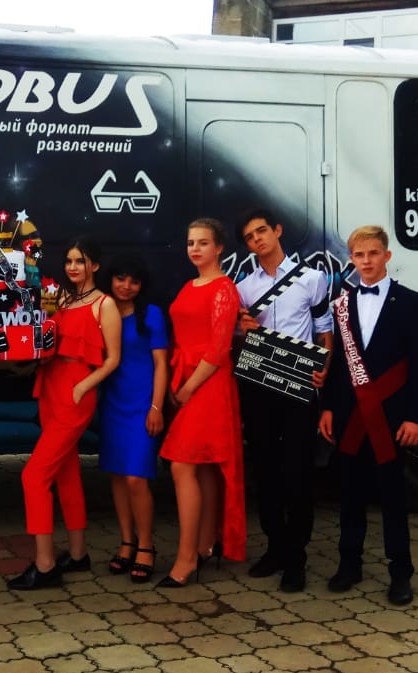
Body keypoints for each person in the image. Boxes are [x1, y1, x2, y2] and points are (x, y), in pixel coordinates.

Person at [318, 225, 418, 607]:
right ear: (351, 259)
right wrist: (328, 407)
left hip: (392, 419)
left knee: (393, 497)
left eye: (373, 253)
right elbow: (337, 366)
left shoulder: (412, 302)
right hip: (351, 417)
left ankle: (401, 573)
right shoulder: (341, 305)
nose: (366, 261)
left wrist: (416, 417)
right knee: (349, 495)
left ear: (387, 256)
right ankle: (349, 565)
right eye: (359, 255)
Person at [8, 239, 122, 591]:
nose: (73, 267)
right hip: (50, 386)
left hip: (76, 391)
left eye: (81, 261)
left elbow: (113, 360)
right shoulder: (62, 300)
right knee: (65, 473)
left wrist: (83, 386)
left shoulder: (105, 304)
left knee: (34, 476)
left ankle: (44, 565)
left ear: (95, 265)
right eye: (70, 261)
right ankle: (77, 554)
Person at [234, 209, 333, 593]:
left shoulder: (312, 279)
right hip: (259, 385)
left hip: (299, 387)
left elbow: (325, 331)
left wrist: (324, 368)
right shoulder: (244, 288)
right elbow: (237, 339)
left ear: (277, 230)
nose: (257, 239)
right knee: (265, 471)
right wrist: (242, 330)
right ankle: (275, 547)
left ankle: (296, 556)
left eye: (261, 231)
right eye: (249, 236)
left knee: (297, 473)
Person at [158, 217, 246, 588]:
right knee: (204, 466)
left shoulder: (225, 288)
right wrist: (177, 382)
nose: (195, 249)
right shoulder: (189, 285)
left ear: (219, 248)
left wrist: (189, 387)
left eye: (203, 243)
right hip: (187, 378)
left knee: (181, 464)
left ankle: (186, 558)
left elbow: (220, 348)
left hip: (209, 383)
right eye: (191, 242)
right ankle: (207, 543)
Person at [97, 254, 168, 584]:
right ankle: (127, 542)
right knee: (118, 476)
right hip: (112, 404)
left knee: (137, 478)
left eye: (134, 281)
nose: (126, 286)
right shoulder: (103, 311)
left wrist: (156, 407)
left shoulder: (151, 314)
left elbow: (161, 365)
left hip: (142, 406)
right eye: (120, 278)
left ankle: (147, 545)